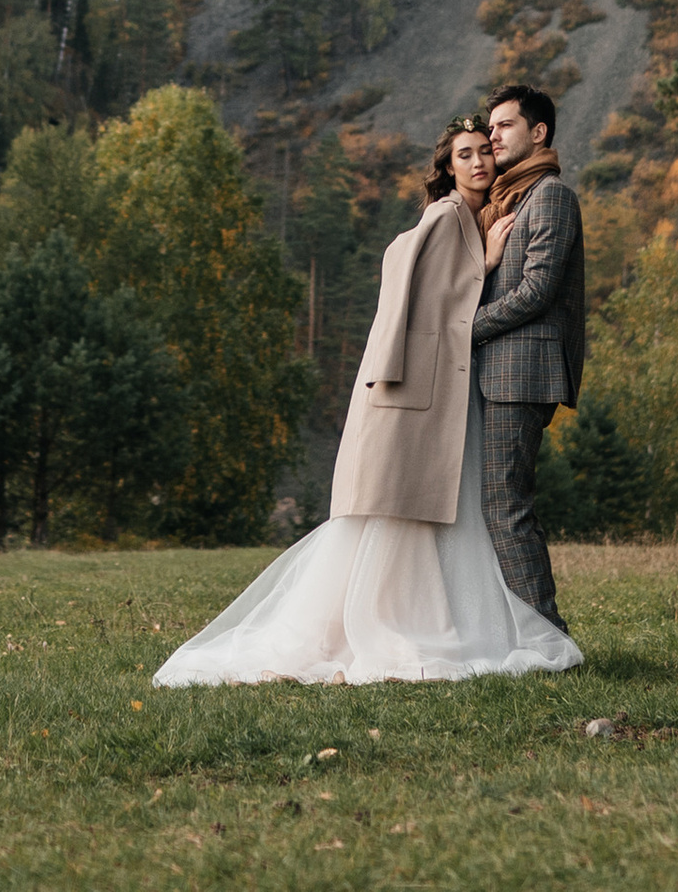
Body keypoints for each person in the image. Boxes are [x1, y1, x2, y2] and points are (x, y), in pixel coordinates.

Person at [152, 116, 583, 686]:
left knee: (443, 517)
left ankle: (436, 620)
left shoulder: (469, 216)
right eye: (465, 155)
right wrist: (488, 262)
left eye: (485, 151)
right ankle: (409, 627)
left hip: (445, 392)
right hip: (427, 395)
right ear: (447, 167)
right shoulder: (450, 214)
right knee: (426, 515)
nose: (480, 162)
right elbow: (422, 297)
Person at [473, 82, 587, 632]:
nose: (492, 135)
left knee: (506, 505)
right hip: (498, 369)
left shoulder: (551, 197)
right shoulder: (507, 198)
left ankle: (547, 639)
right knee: (498, 503)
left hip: (522, 372)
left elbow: (537, 291)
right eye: (489, 126)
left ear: (538, 132)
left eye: (504, 125)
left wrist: (464, 330)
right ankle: (515, 633)